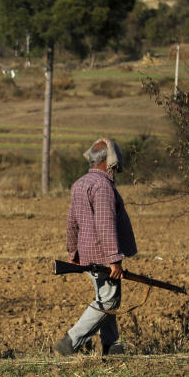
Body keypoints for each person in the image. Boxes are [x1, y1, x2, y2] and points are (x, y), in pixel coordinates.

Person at [54, 137, 137, 357]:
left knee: (105, 298)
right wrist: (114, 259)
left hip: (88, 254)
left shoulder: (80, 183)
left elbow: (71, 221)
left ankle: (110, 346)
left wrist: (73, 253)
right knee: (109, 300)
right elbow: (105, 224)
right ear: (107, 161)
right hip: (102, 254)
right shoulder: (102, 186)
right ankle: (71, 341)